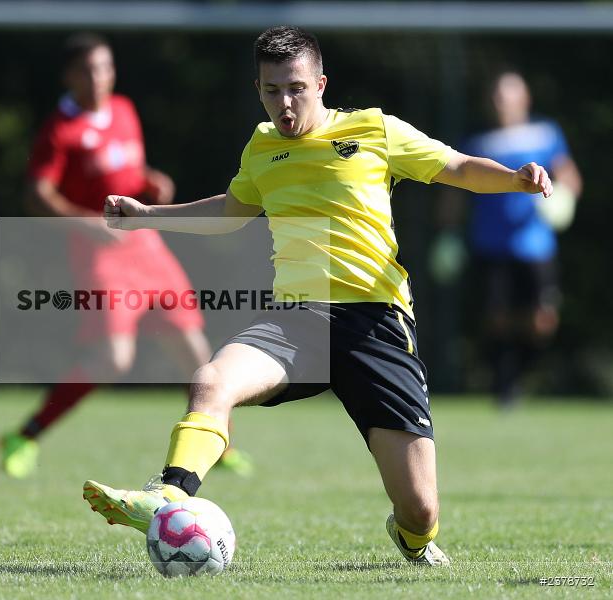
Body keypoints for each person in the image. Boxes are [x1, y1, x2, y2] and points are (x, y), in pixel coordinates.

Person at [82, 27, 552, 566]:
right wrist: (146, 218)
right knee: (210, 380)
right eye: (271, 90)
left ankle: (412, 538)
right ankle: (167, 496)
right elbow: (231, 212)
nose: (284, 103)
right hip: (298, 322)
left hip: (377, 326)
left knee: (421, 511)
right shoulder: (261, 147)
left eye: (296, 88)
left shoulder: (374, 129)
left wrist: (516, 179)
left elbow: (456, 167)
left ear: (321, 83)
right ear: (257, 89)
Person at [0, 33, 253, 479]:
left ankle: (218, 446)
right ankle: (25, 435)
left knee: (195, 351)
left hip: (146, 244)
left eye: (105, 67)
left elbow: (129, 174)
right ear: (69, 75)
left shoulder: (123, 110)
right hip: (100, 253)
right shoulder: (61, 130)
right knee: (113, 359)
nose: (99, 78)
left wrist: (152, 185)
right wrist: (88, 224)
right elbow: (36, 196)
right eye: (88, 69)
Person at [456, 71, 581, 407]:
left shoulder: (545, 133)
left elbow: (569, 175)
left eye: (508, 96)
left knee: (542, 320)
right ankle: (503, 387)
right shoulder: (477, 142)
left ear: (524, 100)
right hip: (490, 244)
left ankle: (519, 376)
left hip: (535, 246)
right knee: (497, 318)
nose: (502, 103)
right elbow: (455, 192)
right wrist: (449, 235)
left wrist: (563, 200)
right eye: (496, 97)